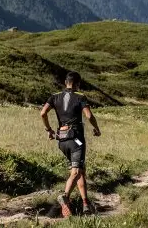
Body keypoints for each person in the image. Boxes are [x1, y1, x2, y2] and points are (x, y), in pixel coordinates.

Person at [41, 71, 102, 217]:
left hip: (62, 140)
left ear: (65, 82)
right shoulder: (80, 96)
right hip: (76, 139)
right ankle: (65, 196)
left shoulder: (54, 96)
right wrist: (97, 129)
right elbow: (89, 115)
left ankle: (85, 204)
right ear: (78, 84)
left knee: (80, 170)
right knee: (76, 171)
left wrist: (49, 130)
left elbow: (43, 113)